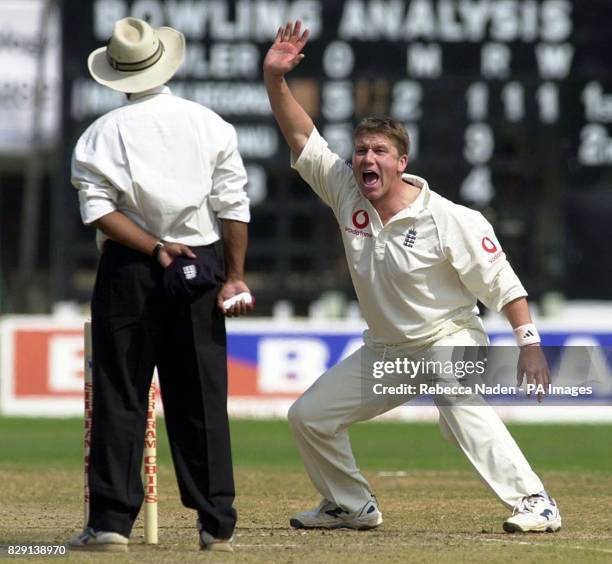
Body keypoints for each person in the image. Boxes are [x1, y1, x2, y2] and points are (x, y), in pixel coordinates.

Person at [263, 21, 562, 534]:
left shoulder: (451, 219)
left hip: (451, 336)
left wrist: (529, 344)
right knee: (308, 416)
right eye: (361, 151)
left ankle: (536, 502)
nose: (367, 160)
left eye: (379, 152)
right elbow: (300, 135)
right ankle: (350, 504)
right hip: (388, 351)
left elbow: (504, 285)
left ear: (402, 162)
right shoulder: (345, 191)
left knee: (450, 382)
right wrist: (275, 79)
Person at [69, 17, 254, 552]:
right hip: (201, 263)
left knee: (121, 393)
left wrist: (153, 247)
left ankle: (109, 524)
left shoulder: (102, 133)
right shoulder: (211, 124)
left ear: (120, 77)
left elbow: (99, 211)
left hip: (131, 267)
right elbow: (233, 206)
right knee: (201, 398)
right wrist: (234, 275)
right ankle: (215, 524)